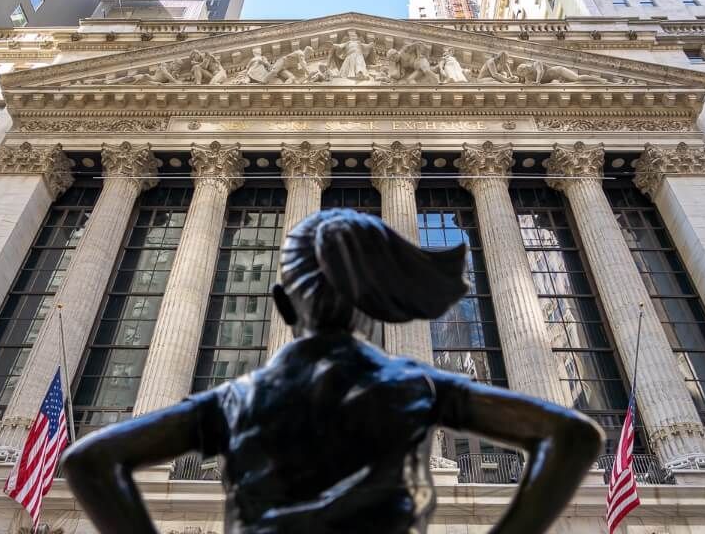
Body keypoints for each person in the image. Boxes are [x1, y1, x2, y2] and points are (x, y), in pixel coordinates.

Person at [62, 209, 603, 534]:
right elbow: (572, 434)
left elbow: (90, 458)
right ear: (370, 303)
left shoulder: (237, 399)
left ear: (280, 303)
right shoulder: (413, 385)